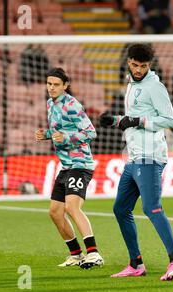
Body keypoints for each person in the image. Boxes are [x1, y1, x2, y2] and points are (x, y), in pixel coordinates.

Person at [99, 43, 173, 281]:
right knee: (120, 209)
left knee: (152, 207)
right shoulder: (131, 84)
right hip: (134, 156)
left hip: (150, 156)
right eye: (135, 65)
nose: (139, 70)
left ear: (150, 65)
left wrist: (137, 121)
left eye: (144, 66)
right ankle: (136, 264)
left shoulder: (154, 86)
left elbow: (170, 119)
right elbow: (133, 118)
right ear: (128, 62)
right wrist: (115, 119)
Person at [35, 68, 103, 269]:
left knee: (72, 207)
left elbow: (91, 132)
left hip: (80, 164)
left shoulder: (72, 105)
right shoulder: (50, 104)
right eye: (49, 84)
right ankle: (76, 254)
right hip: (66, 165)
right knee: (55, 212)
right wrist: (46, 134)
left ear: (65, 85)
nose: (51, 88)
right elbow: (60, 129)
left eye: (56, 84)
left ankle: (94, 253)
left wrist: (66, 138)